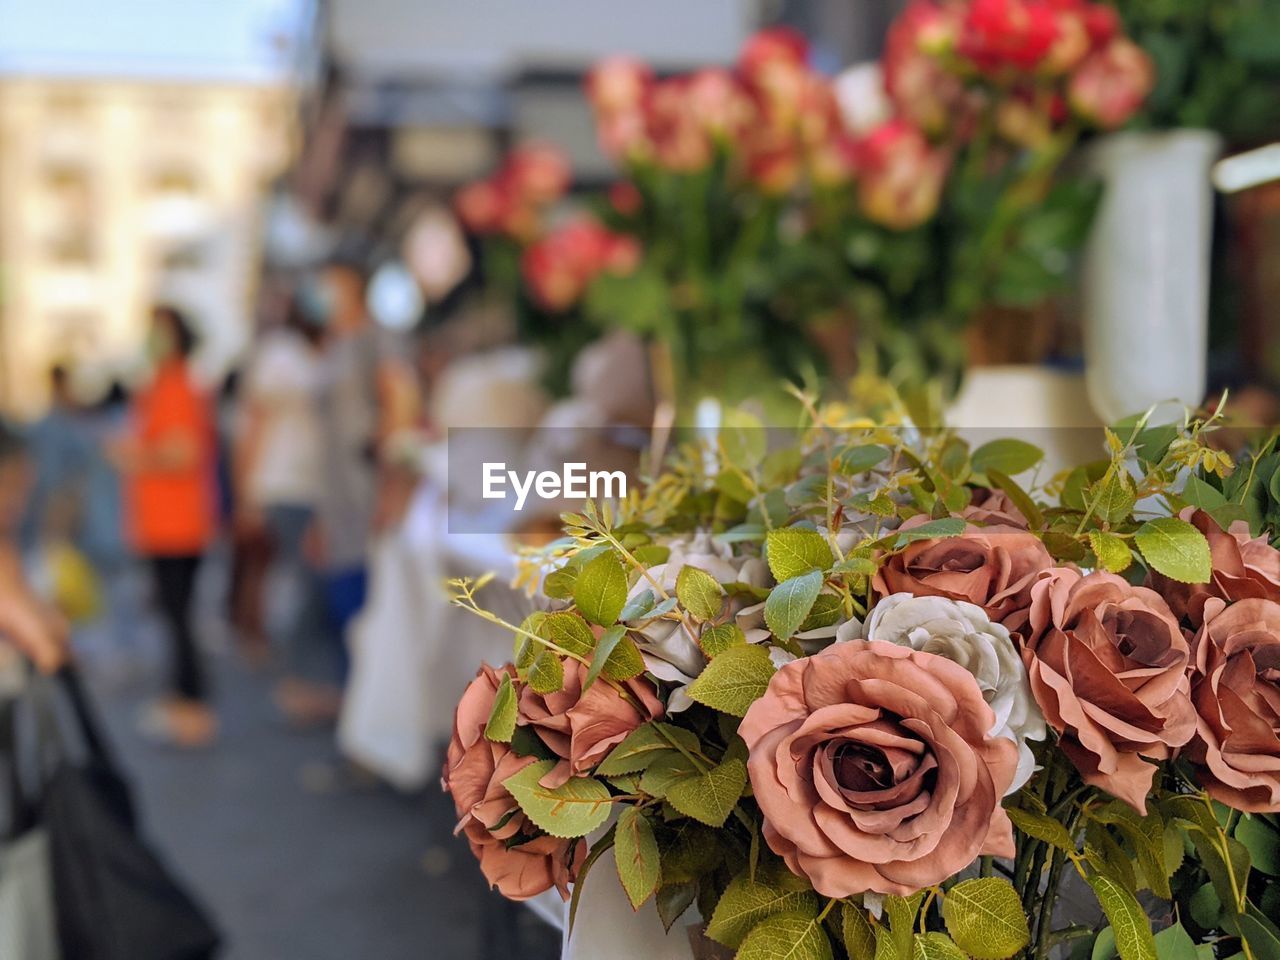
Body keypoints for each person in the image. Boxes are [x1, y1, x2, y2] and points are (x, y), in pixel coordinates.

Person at [301, 261, 418, 680]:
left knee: (366, 612)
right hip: (337, 501)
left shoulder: (376, 339)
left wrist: (392, 489)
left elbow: (400, 403)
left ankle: (369, 728)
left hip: (367, 496)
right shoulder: (334, 345)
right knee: (344, 611)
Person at [114, 305, 218, 747]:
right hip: (163, 524)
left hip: (178, 525)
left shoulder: (177, 386)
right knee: (174, 615)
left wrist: (134, 456)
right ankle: (182, 699)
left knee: (178, 617)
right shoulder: (158, 385)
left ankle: (192, 707)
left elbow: (183, 453)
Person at [235, 305, 335, 723]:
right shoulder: (282, 355)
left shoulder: (317, 355)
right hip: (284, 485)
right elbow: (254, 426)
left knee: (298, 579)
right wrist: (246, 495)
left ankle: (300, 677)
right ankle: (298, 680)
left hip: (308, 487)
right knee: (301, 582)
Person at [0, 420, 70, 675]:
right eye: (12, 487)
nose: (20, 505)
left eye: (24, 490)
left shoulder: (7, 536)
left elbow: (16, 588)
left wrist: (44, 616)